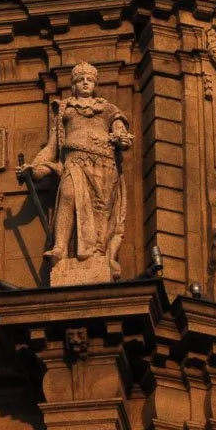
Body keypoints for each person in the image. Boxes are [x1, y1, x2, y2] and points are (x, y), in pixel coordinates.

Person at [22, 63, 133, 285]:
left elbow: (122, 136)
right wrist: (34, 169)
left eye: (89, 80)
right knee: (68, 195)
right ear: (73, 85)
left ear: (95, 84)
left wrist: (121, 139)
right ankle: (60, 248)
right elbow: (51, 148)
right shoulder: (65, 109)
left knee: (100, 213)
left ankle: (98, 256)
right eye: (80, 79)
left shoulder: (109, 109)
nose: (85, 83)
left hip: (103, 166)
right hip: (74, 161)